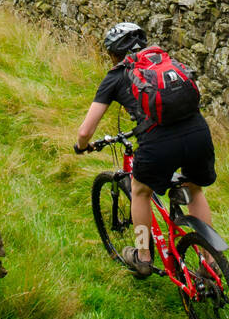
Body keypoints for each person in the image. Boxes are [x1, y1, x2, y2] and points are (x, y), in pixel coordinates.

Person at [75, 21, 217, 277]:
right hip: (198, 132)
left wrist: (81, 146)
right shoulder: (165, 62)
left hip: (158, 142)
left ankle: (143, 258)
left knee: (140, 191)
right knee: (194, 189)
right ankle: (210, 261)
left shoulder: (116, 75)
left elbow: (86, 131)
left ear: (114, 54)